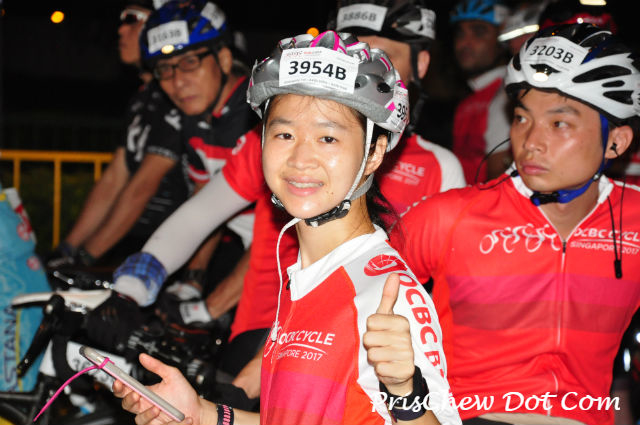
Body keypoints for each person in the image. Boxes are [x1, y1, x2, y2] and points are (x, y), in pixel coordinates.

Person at [111, 0, 465, 389]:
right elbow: (199, 215)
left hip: (367, 351)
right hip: (260, 333)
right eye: (351, 51)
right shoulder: (275, 143)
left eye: (382, 57)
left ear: (421, 65)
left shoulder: (438, 167)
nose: (362, 66)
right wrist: (133, 285)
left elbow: (446, 297)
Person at [396, 23, 640, 425]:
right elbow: (345, 299)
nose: (530, 141)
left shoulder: (633, 220)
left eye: (559, 124)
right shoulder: (450, 216)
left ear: (616, 142)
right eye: (523, 118)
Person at [46, 0, 188, 269]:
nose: (121, 29)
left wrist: (84, 258)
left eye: (132, 19)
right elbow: (114, 179)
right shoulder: (142, 98)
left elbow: (142, 187)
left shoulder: (178, 94)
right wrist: (67, 249)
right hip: (136, 242)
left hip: (175, 248)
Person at [449, 0, 512, 183]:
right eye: (460, 33)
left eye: (479, 32)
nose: (464, 43)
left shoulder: (507, 94)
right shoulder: (472, 97)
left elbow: (499, 182)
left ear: (502, 41)